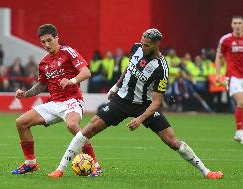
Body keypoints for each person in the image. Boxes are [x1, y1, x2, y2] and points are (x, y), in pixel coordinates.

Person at [48, 28, 223, 179]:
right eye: (142, 43)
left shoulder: (161, 68)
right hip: (121, 101)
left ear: (156, 44)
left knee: (172, 141)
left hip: (144, 106)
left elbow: (156, 102)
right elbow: (128, 69)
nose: (143, 46)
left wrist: (140, 119)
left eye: (147, 45)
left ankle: (207, 172)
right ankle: (60, 169)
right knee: (89, 129)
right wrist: (116, 86)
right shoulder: (136, 48)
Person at [11, 24, 102, 176]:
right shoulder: (44, 62)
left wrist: (71, 81)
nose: (46, 45)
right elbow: (42, 84)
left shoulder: (68, 52)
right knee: (21, 122)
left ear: (57, 38)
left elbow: (86, 72)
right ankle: (30, 163)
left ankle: (95, 165)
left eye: (49, 40)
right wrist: (25, 94)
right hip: (54, 103)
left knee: (72, 125)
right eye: (43, 42)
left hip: (72, 100)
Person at [215, 15, 243, 143]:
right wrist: (218, 74)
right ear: (232, 25)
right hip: (233, 77)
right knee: (241, 102)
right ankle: (240, 131)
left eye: (239, 23)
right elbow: (219, 57)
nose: (237, 25)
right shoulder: (225, 40)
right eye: (235, 23)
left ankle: (239, 132)